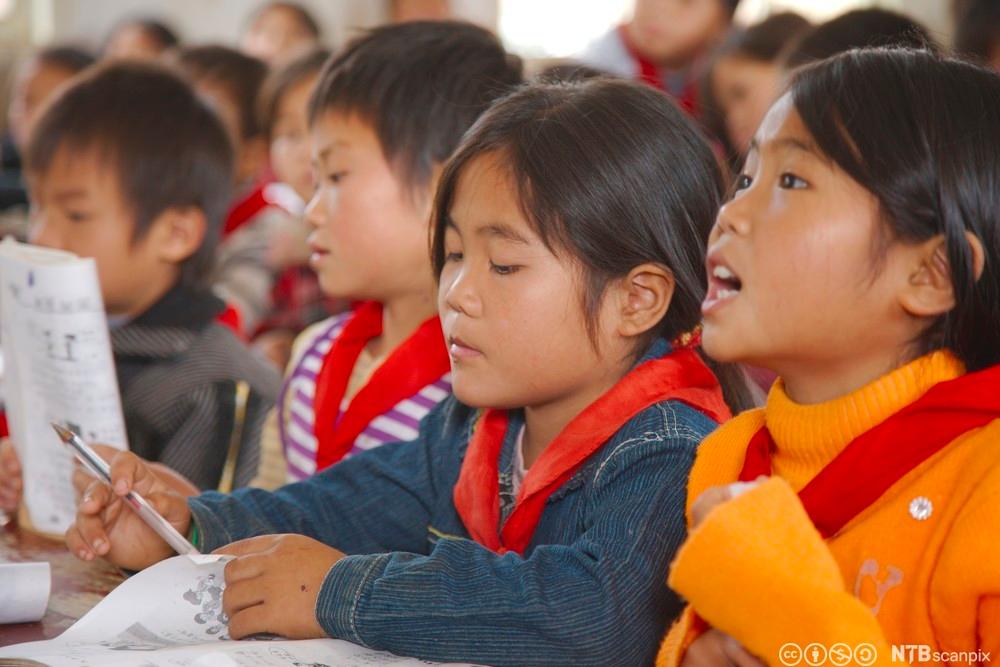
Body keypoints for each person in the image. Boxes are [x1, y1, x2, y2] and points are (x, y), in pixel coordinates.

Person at [67, 77, 754, 666]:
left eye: (504, 265)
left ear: (636, 299)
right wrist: (184, 521)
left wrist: (342, 591)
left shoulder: (671, 447)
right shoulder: (471, 431)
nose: (456, 292)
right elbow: (336, 508)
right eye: (454, 255)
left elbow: (594, 614)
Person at [656, 48, 1000, 665]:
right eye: (744, 179)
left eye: (791, 181)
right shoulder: (727, 457)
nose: (730, 214)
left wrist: (793, 628)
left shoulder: (986, 485)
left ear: (930, 273)